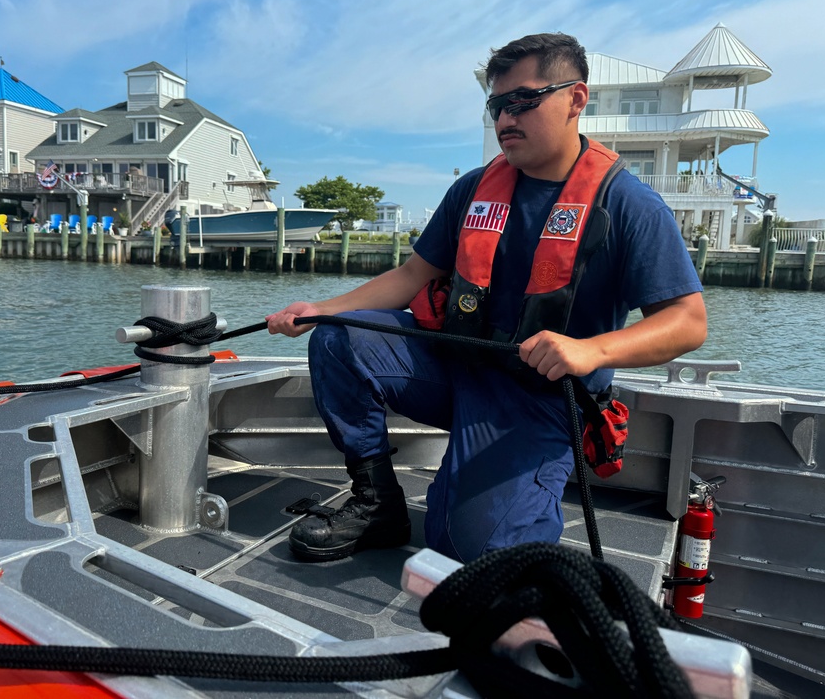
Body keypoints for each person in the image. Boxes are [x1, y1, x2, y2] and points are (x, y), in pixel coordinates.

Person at [266, 32, 707, 564]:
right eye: (496, 105)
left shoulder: (628, 204)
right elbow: (411, 275)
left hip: (541, 400)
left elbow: (688, 321)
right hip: (458, 370)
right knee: (339, 338)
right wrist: (322, 310)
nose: (504, 118)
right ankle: (377, 501)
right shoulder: (472, 190)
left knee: (466, 552)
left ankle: (513, 505)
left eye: (523, 100)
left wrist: (593, 351)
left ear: (576, 99)